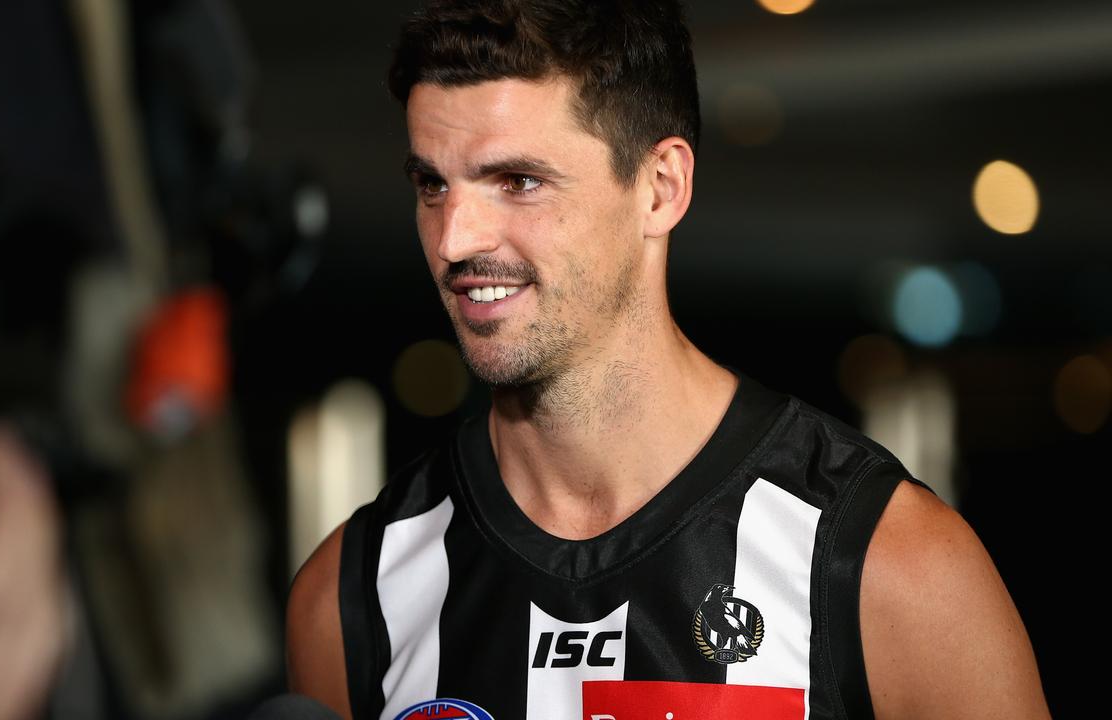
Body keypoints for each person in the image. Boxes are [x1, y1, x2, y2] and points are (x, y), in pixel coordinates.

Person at [287, 1, 1050, 718]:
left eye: (518, 181)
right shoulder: (352, 595)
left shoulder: (892, 568)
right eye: (432, 185)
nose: (455, 239)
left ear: (660, 189)